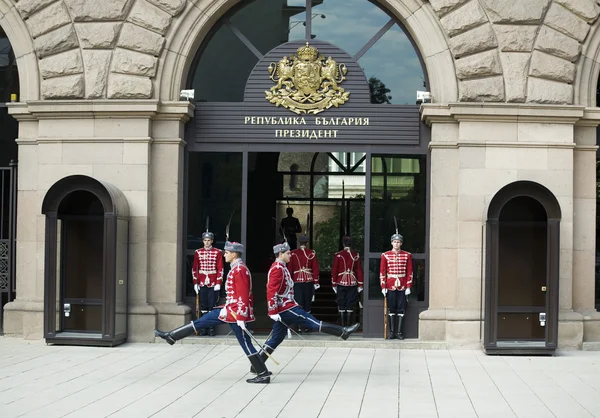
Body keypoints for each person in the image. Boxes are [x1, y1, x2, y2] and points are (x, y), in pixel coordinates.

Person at [155, 241, 271, 384]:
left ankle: (263, 373)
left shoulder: (239, 269)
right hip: (229, 310)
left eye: (227, 252)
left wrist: (241, 317)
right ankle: (171, 336)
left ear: (234, 254)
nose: (224, 254)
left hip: (235, 314)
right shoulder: (236, 267)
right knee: (203, 321)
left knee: (246, 343)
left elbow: (243, 295)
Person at [250, 242, 359, 374]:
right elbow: (271, 291)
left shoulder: (281, 267)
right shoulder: (277, 269)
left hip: (286, 306)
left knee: (276, 338)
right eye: (288, 253)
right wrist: (272, 311)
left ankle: (256, 365)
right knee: (312, 322)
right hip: (285, 308)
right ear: (280, 254)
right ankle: (343, 332)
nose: (290, 255)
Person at [380, 233, 413, 340]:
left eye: (398, 242)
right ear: (391, 243)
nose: (396, 244)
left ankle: (399, 332)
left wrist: (408, 286)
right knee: (391, 309)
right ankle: (392, 332)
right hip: (390, 285)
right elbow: (382, 272)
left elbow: (410, 272)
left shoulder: (407, 255)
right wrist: (383, 287)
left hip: (402, 286)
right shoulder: (385, 255)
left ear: (401, 243)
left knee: (401, 309)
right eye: (394, 242)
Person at [192, 230, 224, 336]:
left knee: (212, 306)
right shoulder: (198, 252)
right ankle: (203, 328)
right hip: (201, 282)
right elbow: (195, 268)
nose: (207, 242)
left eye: (209, 240)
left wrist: (219, 282)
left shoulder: (218, 252)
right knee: (203, 306)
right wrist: (195, 282)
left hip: (213, 282)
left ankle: (211, 328)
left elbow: (220, 268)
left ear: (212, 241)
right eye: (205, 240)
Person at [331, 236, 364, 326]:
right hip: (352, 282)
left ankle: (343, 326)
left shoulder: (338, 255)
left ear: (343, 244)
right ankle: (349, 325)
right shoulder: (355, 255)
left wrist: (333, 283)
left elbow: (334, 270)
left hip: (341, 282)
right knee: (350, 304)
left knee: (341, 304)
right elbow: (359, 270)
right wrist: (360, 284)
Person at [288, 235, 320, 322]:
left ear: (299, 242)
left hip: (297, 281)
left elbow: (290, 269)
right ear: (306, 243)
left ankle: (299, 324)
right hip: (308, 280)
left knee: (299, 302)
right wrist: (316, 281)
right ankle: (306, 323)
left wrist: (289, 281)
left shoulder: (293, 253)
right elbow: (315, 268)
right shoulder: (311, 253)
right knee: (307, 303)